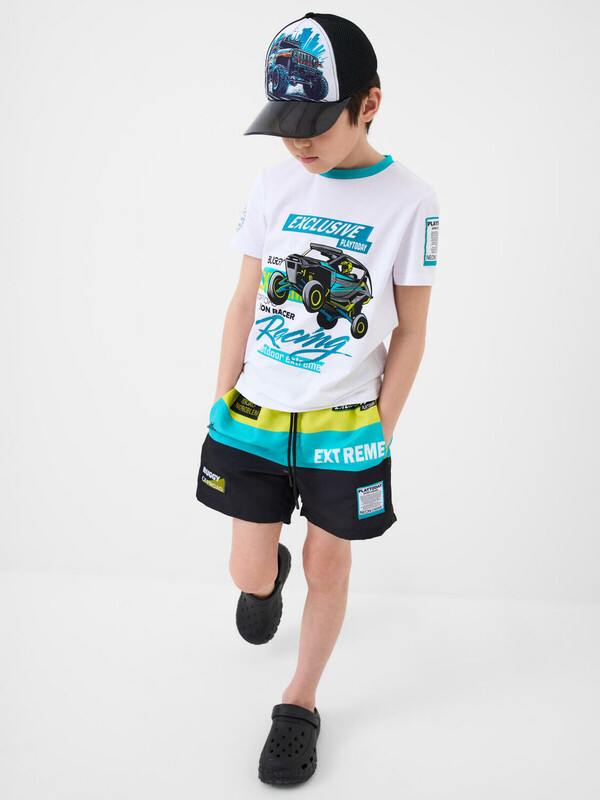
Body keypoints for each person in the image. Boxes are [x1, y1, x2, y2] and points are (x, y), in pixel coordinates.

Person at [195, 11, 440, 786]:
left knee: (329, 563)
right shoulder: (274, 185)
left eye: (316, 124)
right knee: (247, 573)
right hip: (258, 412)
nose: (298, 142)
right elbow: (244, 299)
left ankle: (299, 701)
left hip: (345, 422)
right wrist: (221, 398)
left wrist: (382, 428)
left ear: (369, 104)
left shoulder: (411, 201)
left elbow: (411, 331)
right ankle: (267, 574)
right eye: (285, 126)